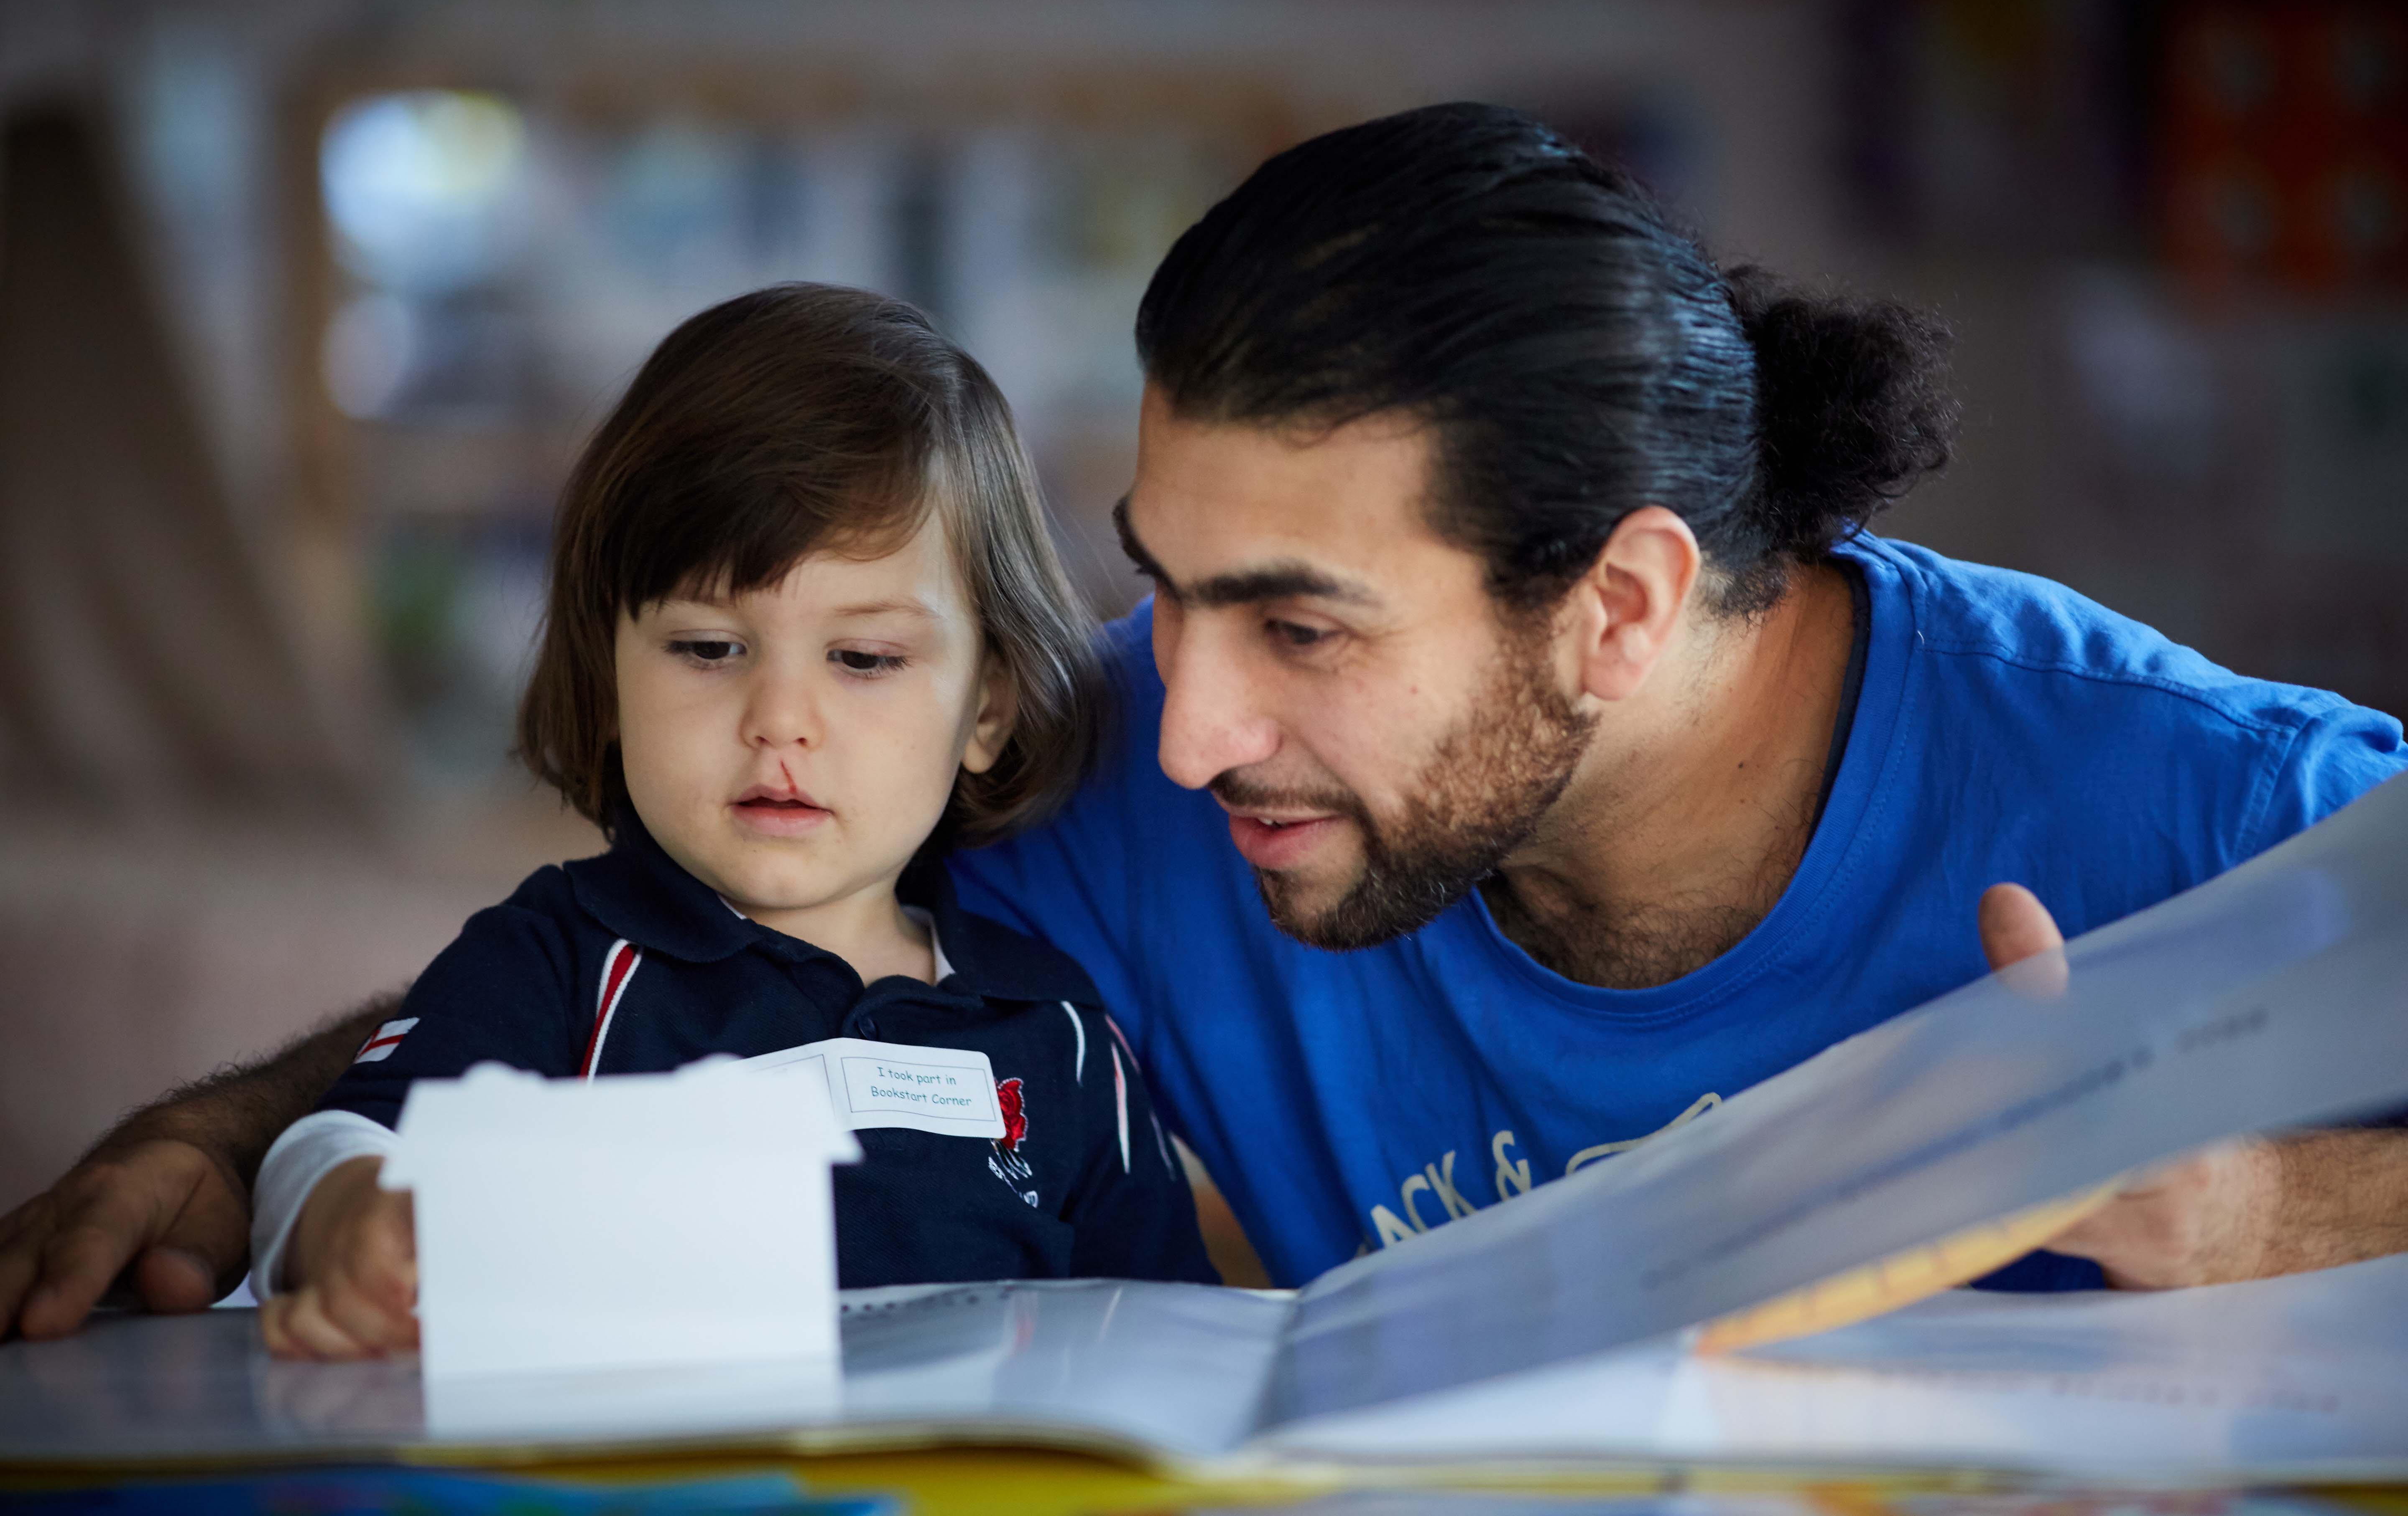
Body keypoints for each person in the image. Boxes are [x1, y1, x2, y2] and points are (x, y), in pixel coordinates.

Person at [5, 104, 2404, 1338]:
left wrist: (2273, 1205)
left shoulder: (2183, 793)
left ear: (1621, 602)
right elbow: (697, 929)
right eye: (1167, 592)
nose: (1177, 725)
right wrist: (248, 1130)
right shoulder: (1158, 780)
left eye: (1304, 626)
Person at [249, 283, 1212, 1358]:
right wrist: (352, 1218)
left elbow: (1176, 1345)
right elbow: (332, 1139)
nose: (781, 722)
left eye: (864, 659)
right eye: (710, 649)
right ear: (608, 678)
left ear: (985, 708)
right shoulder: (560, 963)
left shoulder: (1061, 1035)